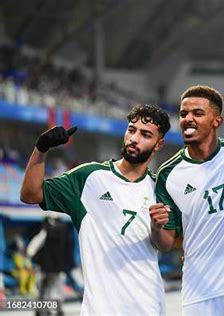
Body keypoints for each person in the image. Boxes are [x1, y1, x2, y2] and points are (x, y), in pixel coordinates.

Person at [20, 104, 171, 315]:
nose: (134, 138)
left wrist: (156, 228)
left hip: (149, 306)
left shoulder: (160, 189)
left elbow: (165, 244)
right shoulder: (89, 177)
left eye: (145, 134)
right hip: (99, 309)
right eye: (131, 130)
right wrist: (41, 149)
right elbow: (30, 194)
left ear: (158, 144)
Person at [150, 85, 224, 315]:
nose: (188, 119)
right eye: (183, 114)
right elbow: (166, 243)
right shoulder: (169, 174)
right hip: (199, 292)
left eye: (197, 113)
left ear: (217, 121)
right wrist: (156, 226)